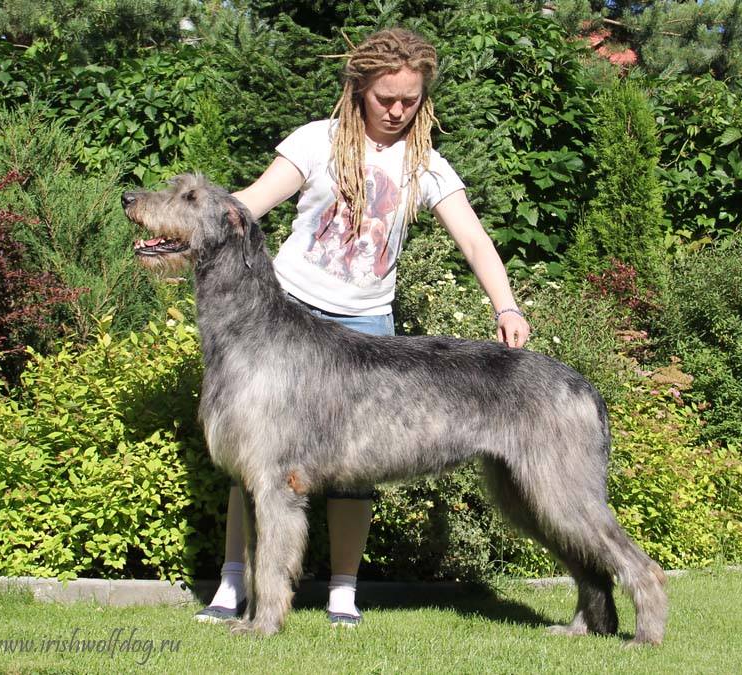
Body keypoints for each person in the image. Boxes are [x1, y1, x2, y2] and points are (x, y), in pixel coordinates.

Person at [194, 27, 530, 626]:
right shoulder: (315, 142)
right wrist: (192, 220)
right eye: (385, 98)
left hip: (364, 327)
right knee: (260, 459)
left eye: (410, 100)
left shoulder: (426, 165)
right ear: (358, 90)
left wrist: (506, 306)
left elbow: (475, 240)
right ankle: (233, 584)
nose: (398, 111)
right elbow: (249, 203)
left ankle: (343, 590)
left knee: (355, 469)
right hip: (288, 318)